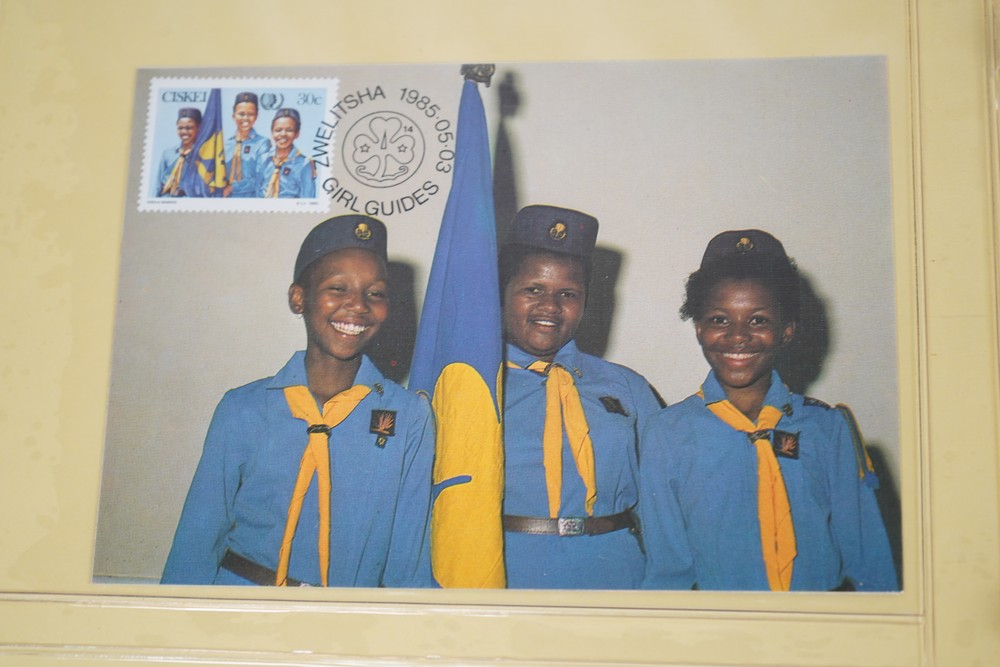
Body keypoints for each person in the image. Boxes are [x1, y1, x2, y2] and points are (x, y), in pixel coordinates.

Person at [162, 215, 434, 587]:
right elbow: (196, 542)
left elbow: (409, 560)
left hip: (344, 615)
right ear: (298, 298)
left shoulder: (409, 416)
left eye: (375, 293)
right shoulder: (243, 408)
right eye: (337, 288)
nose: (357, 305)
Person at [639, 229, 898, 591]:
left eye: (758, 320)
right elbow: (667, 573)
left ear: (787, 330)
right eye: (720, 319)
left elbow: (871, 564)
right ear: (698, 328)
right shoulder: (667, 433)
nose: (738, 335)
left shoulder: (828, 428)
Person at [499, 205, 663, 589]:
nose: (550, 307)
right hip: (510, 577)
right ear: (502, 293)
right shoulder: (473, 387)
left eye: (568, 294)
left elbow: (662, 506)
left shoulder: (628, 387)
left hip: (618, 576)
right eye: (533, 289)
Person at [255, 108, 316, 198]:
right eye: (278, 130)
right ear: (272, 133)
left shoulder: (304, 164)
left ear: (297, 134)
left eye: (289, 130)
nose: (283, 134)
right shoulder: (263, 159)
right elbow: (257, 190)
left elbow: (307, 198)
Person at [223, 92, 270, 198]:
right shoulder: (225, 145)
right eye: (241, 114)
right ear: (233, 115)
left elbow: (260, 178)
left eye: (250, 114)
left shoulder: (262, 143)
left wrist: (233, 187)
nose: (245, 118)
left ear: (256, 116)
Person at [156, 107, 201, 196]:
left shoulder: (203, 155)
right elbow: (158, 184)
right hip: (166, 198)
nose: (184, 132)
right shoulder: (168, 154)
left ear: (199, 128)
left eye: (189, 128)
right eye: (180, 128)